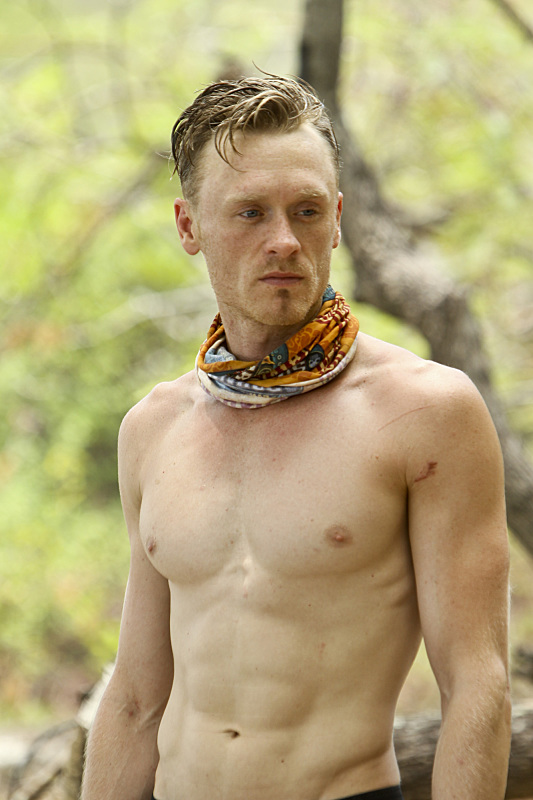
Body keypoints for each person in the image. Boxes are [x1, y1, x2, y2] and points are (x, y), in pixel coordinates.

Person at [81, 74, 511, 800]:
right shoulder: (153, 427)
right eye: (249, 213)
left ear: (336, 219)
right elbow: (133, 698)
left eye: (306, 211)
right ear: (189, 227)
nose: (283, 240)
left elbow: (476, 684)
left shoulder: (425, 412)